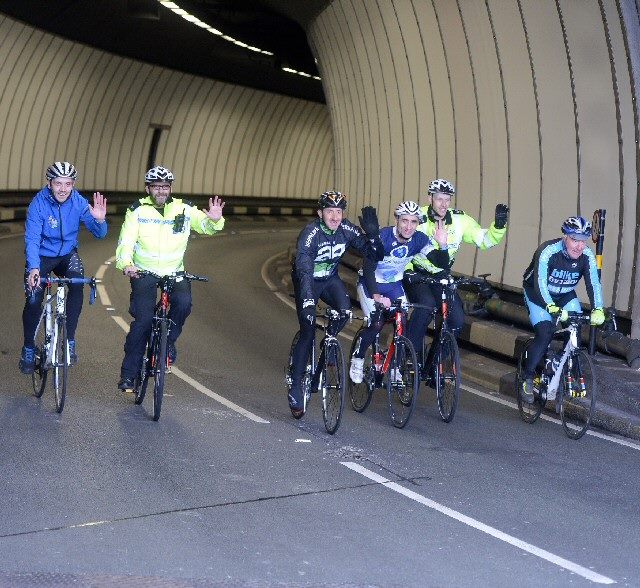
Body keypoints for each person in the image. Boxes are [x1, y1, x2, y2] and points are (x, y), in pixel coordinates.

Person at [115, 166, 225, 391]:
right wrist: (126, 264)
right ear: (148, 189)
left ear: (170, 189)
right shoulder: (137, 210)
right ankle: (129, 374)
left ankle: (169, 343)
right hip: (143, 272)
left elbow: (205, 226)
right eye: (156, 187)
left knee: (184, 304)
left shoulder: (184, 208)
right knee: (143, 322)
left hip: (174, 272)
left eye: (165, 187)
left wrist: (214, 220)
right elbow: (126, 242)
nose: (161, 191)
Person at [289, 190, 384, 418]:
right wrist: (309, 299)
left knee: (345, 313)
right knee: (308, 330)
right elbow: (303, 266)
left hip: (330, 279)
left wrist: (373, 237)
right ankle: (296, 384)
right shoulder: (311, 233)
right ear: (320, 213)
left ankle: (328, 345)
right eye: (330, 211)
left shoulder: (346, 229)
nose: (334, 217)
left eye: (339, 211)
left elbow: (375, 255)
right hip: (307, 280)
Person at [404, 178, 509, 364]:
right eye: (439, 199)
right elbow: (401, 244)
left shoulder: (461, 221)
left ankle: (434, 359)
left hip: (440, 276)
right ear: (430, 198)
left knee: (456, 319)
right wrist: (407, 270)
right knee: (426, 306)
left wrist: (498, 227)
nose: (444, 204)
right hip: (417, 274)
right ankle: (410, 354)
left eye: (447, 199)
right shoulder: (416, 216)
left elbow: (484, 240)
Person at [19, 161, 108, 374]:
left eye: (68, 184)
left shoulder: (78, 202)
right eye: (58, 183)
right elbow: (31, 238)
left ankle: (69, 340)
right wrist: (33, 269)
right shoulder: (38, 204)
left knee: (78, 284)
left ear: (73, 184)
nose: (63, 189)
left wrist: (100, 220)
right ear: (49, 183)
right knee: (34, 297)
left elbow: (100, 234)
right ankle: (29, 347)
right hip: (41, 256)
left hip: (67, 255)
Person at [349, 201, 448, 383]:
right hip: (371, 284)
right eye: (404, 221)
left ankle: (395, 365)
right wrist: (377, 296)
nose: (408, 226)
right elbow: (368, 268)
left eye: (413, 222)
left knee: (402, 323)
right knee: (376, 322)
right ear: (397, 220)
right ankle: (358, 357)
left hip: (394, 285)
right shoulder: (383, 236)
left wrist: (443, 245)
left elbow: (441, 262)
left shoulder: (419, 239)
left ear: (418, 223)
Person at [520, 216, 605, 402]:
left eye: (583, 240)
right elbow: (540, 282)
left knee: (575, 327)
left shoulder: (587, 256)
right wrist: (550, 307)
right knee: (546, 331)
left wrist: (598, 309)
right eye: (574, 239)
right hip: (537, 293)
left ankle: (561, 361)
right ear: (565, 237)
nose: (579, 246)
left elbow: (594, 285)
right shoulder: (548, 251)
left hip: (565, 294)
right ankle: (526, 377)